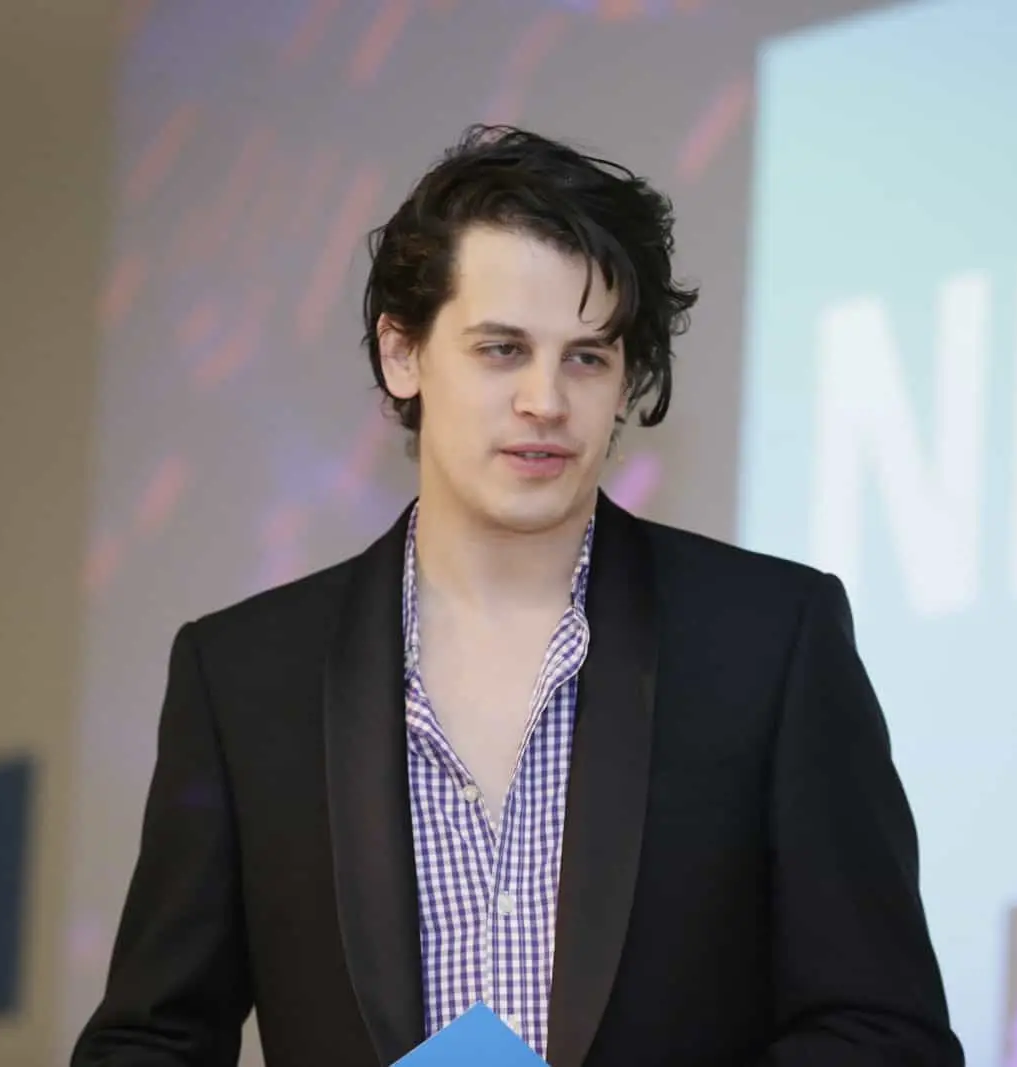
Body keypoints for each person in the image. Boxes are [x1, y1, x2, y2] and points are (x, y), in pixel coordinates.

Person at [72, 124, 963, 1067]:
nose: (547, 399)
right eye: (502, 349)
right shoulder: (246, 678)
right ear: (401, 354)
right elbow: (150, 1040)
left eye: (587, 357)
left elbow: (884, 1032)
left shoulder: (768, 640)